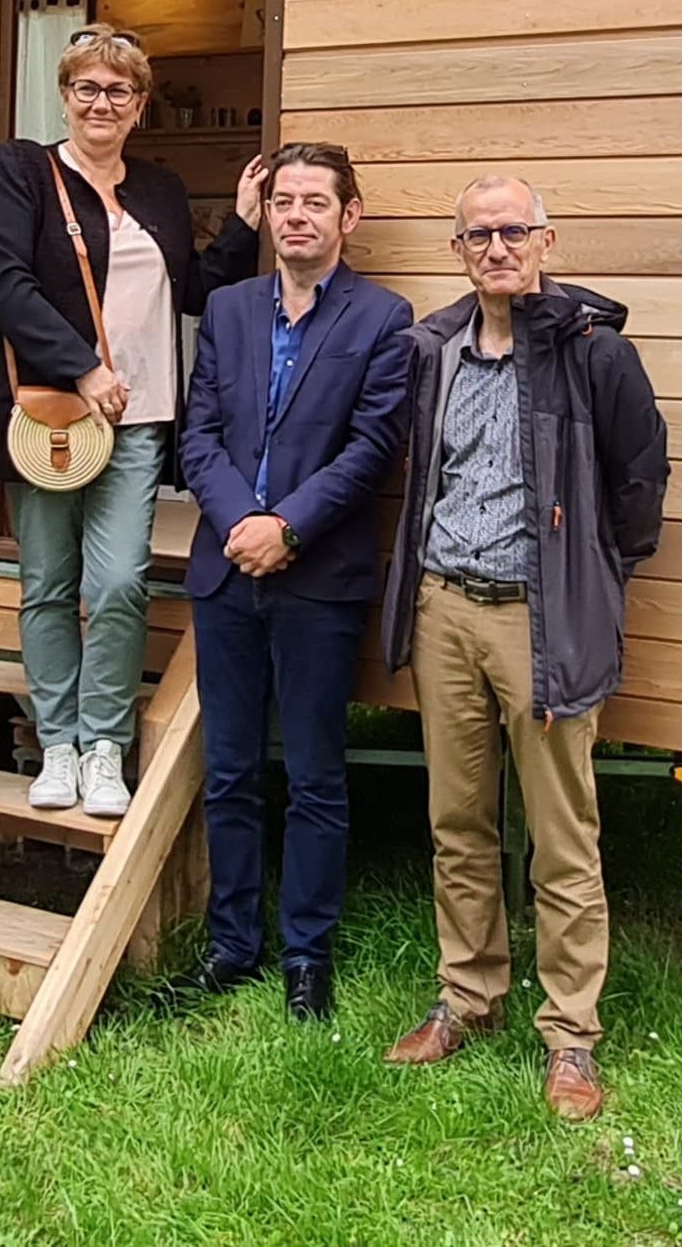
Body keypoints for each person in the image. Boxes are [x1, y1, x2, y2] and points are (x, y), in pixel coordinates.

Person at [381, 175, 667, 1122]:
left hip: (541, 617)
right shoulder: (434, 351)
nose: (497, 246)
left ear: (548, 239)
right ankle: (468, 997)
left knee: (561, 832)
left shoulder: (596, 355)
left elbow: (639, 483)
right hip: (445, 610)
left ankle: (571, 1035)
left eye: (515, 230)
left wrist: (593, 576)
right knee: (457, 821)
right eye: (478, 234)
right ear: (457, 250)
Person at [0, 25, 264, 819]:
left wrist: (244, 222)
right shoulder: (23, 169)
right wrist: (85, 368)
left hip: (141, 417)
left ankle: (103, 746)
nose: (102, 102)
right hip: (55, 414)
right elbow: (7, 280)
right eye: (87, 87)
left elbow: (194, 290)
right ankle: (56, 741)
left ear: (140, 106)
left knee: (120, 582)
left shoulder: (157, 188)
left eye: (118, 91)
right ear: (65, 95)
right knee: (49, 583)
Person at [175, 143, 411, 1021]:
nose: (298, 215)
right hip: (225, 568)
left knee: (315, 775)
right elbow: (197, 432)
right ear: (266, 214)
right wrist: (243, 522)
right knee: (230, 769)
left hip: (320, 577)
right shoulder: (229, 308)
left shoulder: (386, 319)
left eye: (316, 201)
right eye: (284, 201)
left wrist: (289, 528)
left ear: (349, 218)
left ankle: (307, 955)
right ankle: (232, 944)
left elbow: (374, 446)